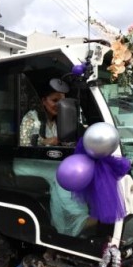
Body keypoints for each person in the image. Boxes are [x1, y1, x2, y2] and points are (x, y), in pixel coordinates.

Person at [14, 81, 90, 236]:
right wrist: (47, 141)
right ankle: (78, 216)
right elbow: (24, 144)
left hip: (47, 163)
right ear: (43, 101)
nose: (59, 105)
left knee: (63, 180)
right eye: (55, 100)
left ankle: (62, 229)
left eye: (62, 101)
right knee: (62, 174)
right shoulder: (32, 117)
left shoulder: (61, 121)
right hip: (27, 163)